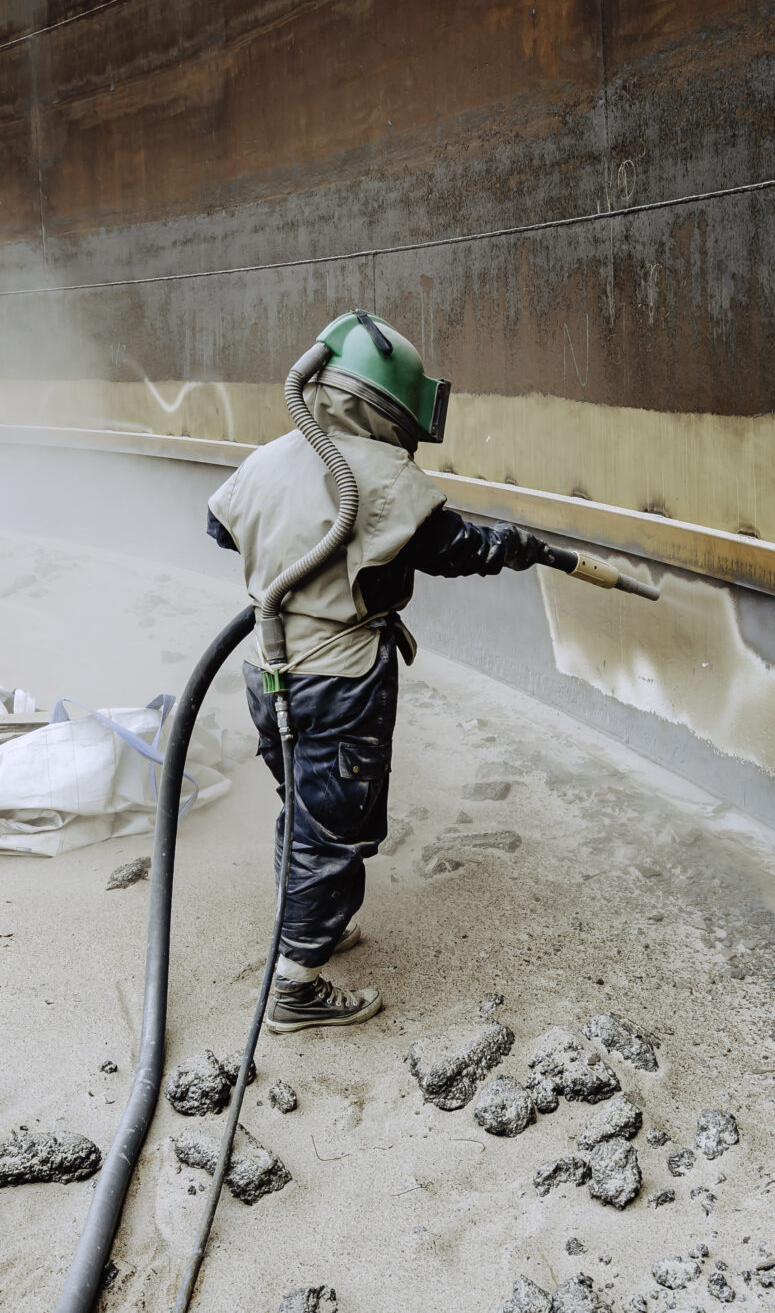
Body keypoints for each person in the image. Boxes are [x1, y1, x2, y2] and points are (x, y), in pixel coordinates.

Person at [206, 310, 545, 1032]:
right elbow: (453, 547)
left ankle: (305, 925)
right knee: (333, 826)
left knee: (301, 803)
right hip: (337, 679)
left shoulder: (272, 456)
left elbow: (219, 526)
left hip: (268, 675)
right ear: (391, 404)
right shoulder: (380, 475)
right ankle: (296, 984)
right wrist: (509, 545)